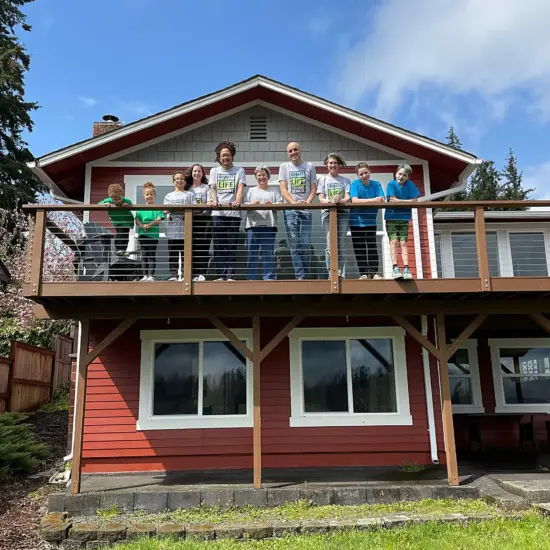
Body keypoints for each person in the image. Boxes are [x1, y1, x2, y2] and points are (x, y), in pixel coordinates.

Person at [279, 142, 317, 280]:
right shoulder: (284, 167)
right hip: (290, 211)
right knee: (294, 245)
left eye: (295, 150)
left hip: (306, 210)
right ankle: (300, 275)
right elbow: (283, 190)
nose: (293, 153)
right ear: (287, 153)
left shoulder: (310, 167)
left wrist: (307, 202)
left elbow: (313, 189)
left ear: (300, 150)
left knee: (305, 244)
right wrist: (294, 203)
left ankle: (305, 274)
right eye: (290, 151)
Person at [210, 141, 246, 281]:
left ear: (232, 156)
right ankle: (220, 275)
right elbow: (213, 188)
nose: (225, 157)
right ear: (219, 157)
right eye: (223, 155)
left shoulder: (239, 171)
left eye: (228, 155)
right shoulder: (214, 171)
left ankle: (230, 275)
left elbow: (240, 188)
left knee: (231, 245)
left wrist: (237, 201)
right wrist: (214, 201)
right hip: (218, 214)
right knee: (219, 245)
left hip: (233, 214)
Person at [245, 165, 283, 281]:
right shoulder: (251, 191)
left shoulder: (274, 190)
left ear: (268, 176)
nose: (261, 177)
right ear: (256, 177)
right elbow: (244, 204)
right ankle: (251, 278)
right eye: (259, 175)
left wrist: (271, 205)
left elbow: (280, 205)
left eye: (264, 175)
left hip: (269, 226)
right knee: (252, 254)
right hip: (252, 226)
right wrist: (252, 204)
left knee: (268, 254)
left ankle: (269, 278)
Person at [317, 153, 350, 278]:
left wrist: (339, 201)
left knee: (340, 243)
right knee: (329, 243)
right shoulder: (322, 180)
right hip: (327, 213)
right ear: (327, 164)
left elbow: (347, 197)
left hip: (342, 213)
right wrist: (332, 201)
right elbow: (321, 198)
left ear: (339, 164)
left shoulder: (345, 180)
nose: (333, 165)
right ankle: (331, 272)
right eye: (330, 163)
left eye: (335, 163)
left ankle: (340, 272)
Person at [349, 162, 385, 279]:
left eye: (366, 172)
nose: (364, 176)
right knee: (359, 248)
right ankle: (363, 273)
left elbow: (381, 200)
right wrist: (373, 200)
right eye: (361, 174)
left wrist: (364, 201)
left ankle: (374, 273)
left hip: (371, 221)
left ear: (370, 171)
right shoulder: (355, 184)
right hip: (356, 221)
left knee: (371, 247)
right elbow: (354, 201)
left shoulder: (376, 184)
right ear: (358, 175)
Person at [385, 164, 420, 280]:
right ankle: (395, 267)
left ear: (408, 177)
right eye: (399, 174)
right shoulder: (391, 184)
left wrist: (400, 201)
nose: (401, 177)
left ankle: (406, 268)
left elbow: (415, 201)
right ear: (396, 174)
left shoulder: (410, 185)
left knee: (404, 243)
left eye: (404, 175)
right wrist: (407, 201)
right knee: (394, 241)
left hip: (404, 218)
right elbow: (392, 201)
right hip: (391, 218)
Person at [164, 172, 193, 281]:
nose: (179, 180)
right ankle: (174, 275)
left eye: (181, 179)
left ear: (185, 182)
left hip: (186, 230)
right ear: (173, 181)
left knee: (186, 255)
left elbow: (194, 209)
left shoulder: (189, 195)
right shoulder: (169, 196)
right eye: (177, 179)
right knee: (173, 255)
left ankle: (186, 275)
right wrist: (176, 209)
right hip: (172, 230)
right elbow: (165, 210)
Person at [184, 164, 212, 282]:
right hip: (191, 220)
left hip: (205, 220)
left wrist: (201, 209)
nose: (197, 173)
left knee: (204, 247)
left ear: (202, 174)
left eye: (199, 171)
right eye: (195, 171)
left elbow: (210, 201)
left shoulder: (206, 187)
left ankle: (202, 274)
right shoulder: (187, 188)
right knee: (192, 247)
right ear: (191, 173)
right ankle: (193, 273)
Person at [135, 182, 164, 281]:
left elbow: (160, 219)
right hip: (143, 234)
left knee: (151, 254)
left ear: (154, 196)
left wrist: (149, 225)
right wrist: (141, 225)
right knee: (144, 255)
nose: (149, 196)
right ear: (144, 196)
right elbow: (137, 219)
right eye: (147, 194)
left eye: (151, 194)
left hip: (153, 235)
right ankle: (144, 276)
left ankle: (151, 276)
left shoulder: (157, 208)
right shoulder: (140, 209)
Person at [98, 184, 134, 256]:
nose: (118, 201)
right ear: (111, 198)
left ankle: (123, 250)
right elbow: (99, 203)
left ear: (121, 195)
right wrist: (105, 204)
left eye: (119, 198)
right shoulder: (108, 200)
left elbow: (131, 204)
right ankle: (118, 249)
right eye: (115, 200)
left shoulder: (125, 200)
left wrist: (126, 204)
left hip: (127, 221)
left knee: (126, 235)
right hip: (117, 221)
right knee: (120, 233)